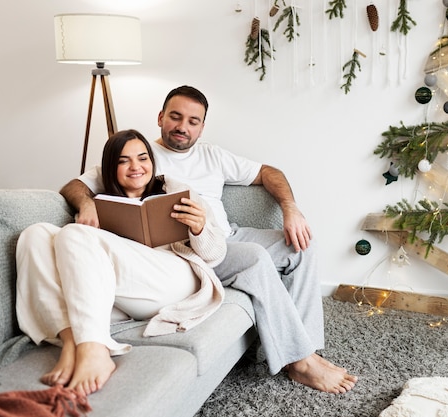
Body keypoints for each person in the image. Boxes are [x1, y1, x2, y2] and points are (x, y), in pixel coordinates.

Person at [59, 85, 358, 394]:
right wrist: (86, 203)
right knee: (254, 257)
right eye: (175, 117)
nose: (182, 127)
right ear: (160, 117)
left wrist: (290, 209)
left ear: (202, 127)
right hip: (185, 249)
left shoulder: (213, 155)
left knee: (302, 247)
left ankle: (304, 348)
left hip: (226, 235)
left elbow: (269, 172)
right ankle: (300, 362)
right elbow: (74, 185)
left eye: (193, 121)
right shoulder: (140, 156)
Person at [17, 129, 226, 396]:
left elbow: (216, 256)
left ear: (152, 162)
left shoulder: (177, 191)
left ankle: (95, 348)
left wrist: (200, 228)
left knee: (73, 233)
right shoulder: (100, 197)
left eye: (142, 158)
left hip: (175, 278)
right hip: (126, 290)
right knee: (35, 234)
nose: (135, 167)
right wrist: (87, 205)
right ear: (109, 167)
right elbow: (72, 188)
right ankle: (71, 339)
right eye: (123, 161)